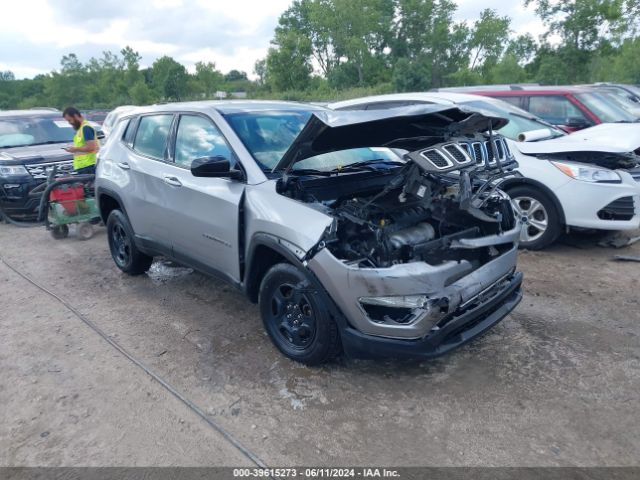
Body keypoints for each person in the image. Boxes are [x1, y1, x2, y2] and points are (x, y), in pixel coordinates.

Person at [62, 107, 99, 175]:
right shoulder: (81, 129)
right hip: (84, 166)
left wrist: (75, 149)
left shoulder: (86, 128)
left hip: (88, 167)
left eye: (70, 120)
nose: (70, 123)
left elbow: (91, 147)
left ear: (75, 116)